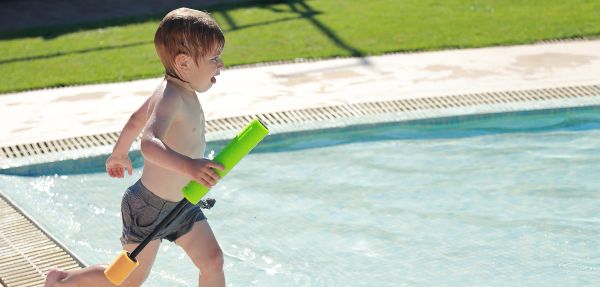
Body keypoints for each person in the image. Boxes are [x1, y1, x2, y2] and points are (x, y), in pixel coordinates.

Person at [45, 7, 227, 287]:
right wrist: (190, 165)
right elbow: (149, 143)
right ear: (184, 64)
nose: (221, 65)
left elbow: (134, 121)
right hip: (149, 206)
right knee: (128, 279)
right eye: (214, 58)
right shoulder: (170, 97)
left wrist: (118, 154)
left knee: (213, 261)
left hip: (183, 203)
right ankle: (62, 281)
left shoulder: (178, 90)